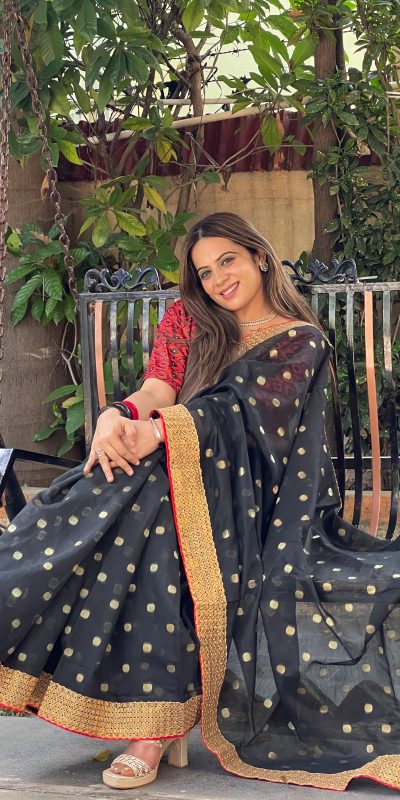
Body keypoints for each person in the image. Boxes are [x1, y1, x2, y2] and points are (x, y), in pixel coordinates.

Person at [1, 212, 400, 792]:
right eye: (205, 271)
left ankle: (151, 728)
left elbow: (253, 423)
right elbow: (157, 389)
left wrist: (159, 432)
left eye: (227, 261)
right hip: (170, 477)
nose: (218, 280)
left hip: (254, 502)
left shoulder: (300, 340)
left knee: (146, 503)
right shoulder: (190, 319)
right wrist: (118, 415)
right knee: (116, 498)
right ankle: (150, 722)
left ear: (259, 255)